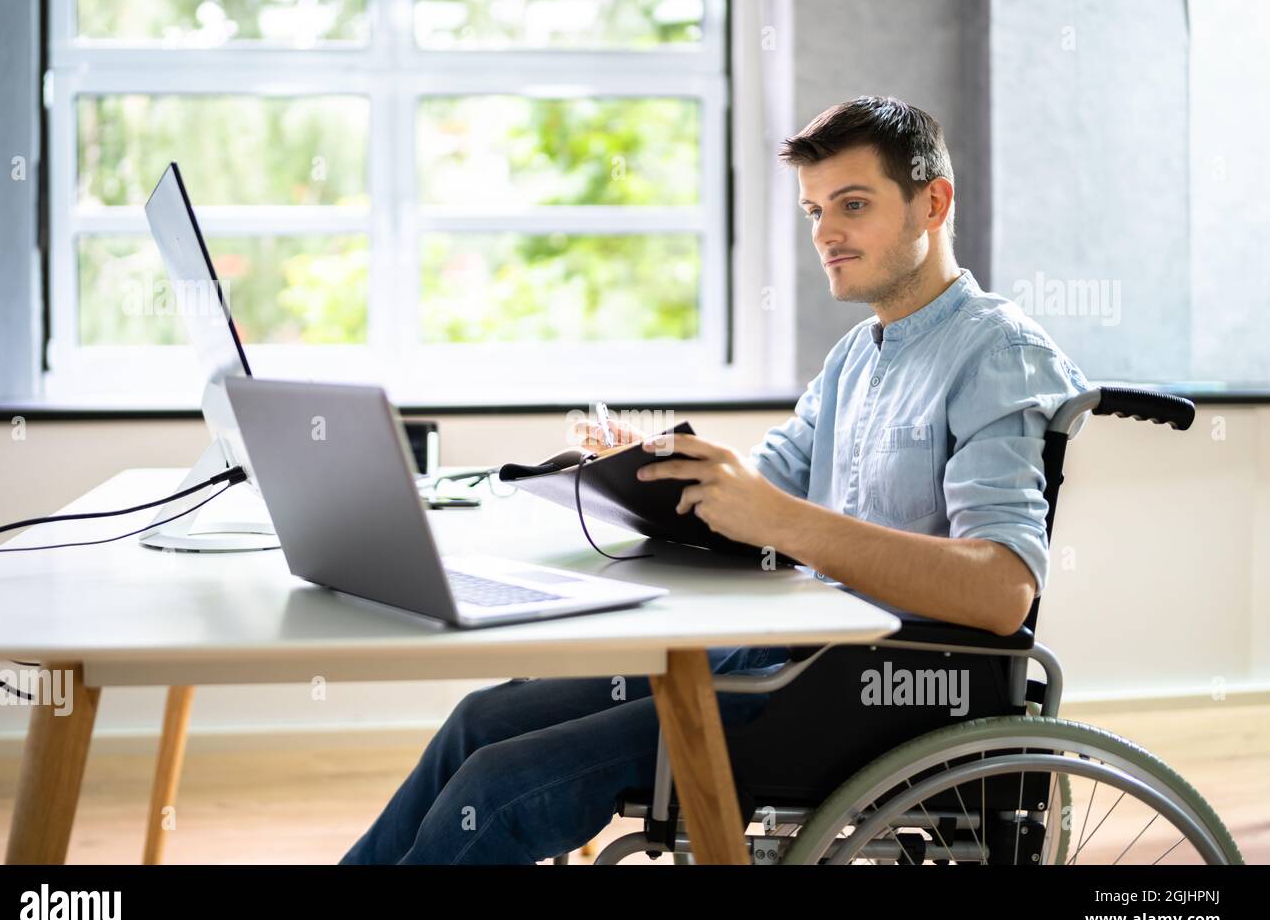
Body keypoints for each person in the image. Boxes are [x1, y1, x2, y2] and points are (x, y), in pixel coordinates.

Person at [340, 95, 1089, 865]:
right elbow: (762, 489)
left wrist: (782, 522)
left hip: (878, 690)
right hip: (783, 656)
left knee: (500, 786)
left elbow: (1001, 593)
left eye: (852, 205)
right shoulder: (855, 358)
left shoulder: (997, 352)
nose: (826, 234)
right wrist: (654, 468)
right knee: (480, 720)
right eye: (813, 210)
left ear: (933, 203)